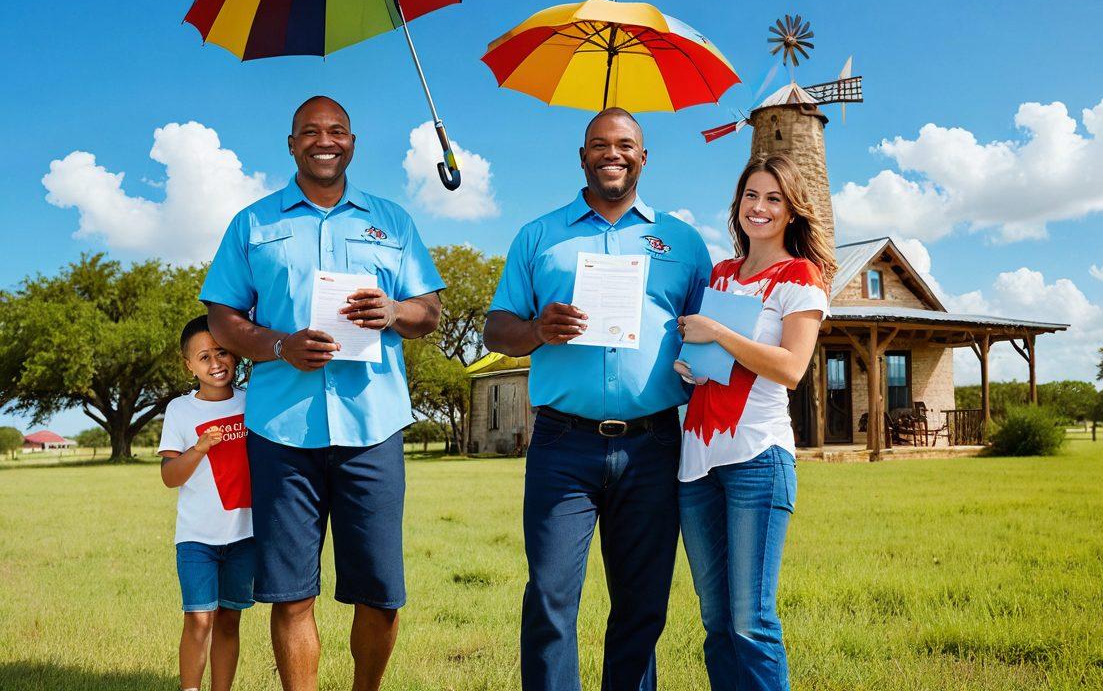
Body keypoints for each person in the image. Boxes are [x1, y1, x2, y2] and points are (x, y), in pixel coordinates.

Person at [200, 96, 443, 691]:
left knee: (382, 596)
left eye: (336, 130)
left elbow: (430, 312)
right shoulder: (252, 223)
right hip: (282, 429)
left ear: (353, 143)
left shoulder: (394, 221)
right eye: (310, 131)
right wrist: (281, 345)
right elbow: (222, 317)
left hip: (373, 428)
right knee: (291, 596)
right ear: (291, 144)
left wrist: (392, 311)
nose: (324, 140)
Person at [484, 107, 713, 691]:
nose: (612, 153)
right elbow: (496, 328)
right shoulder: (539, 236)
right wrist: (537, 328)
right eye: (599, 144)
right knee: (551, 602)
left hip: (654, 444)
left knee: (642, 607)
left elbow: (707, 329)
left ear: (643, 156)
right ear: (582, 156)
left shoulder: (682, 241)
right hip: (564, 444)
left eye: (625, 144)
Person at [675, 154, 835, 691]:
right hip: (697, 461)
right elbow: (716, 364)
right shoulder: (722, 273)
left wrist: (717, 334)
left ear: (791, 211)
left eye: (773, 198)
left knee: (752, 621)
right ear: (738, 204)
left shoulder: (801, 276)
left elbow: (791, 368)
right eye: (751, 196)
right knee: (716, 622)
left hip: (757, 458)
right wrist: (691, 365)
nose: (759, 208)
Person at [158, 315, 254, 691]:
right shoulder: (181, 411)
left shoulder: (252, 402)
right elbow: (169, 476)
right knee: (199, 619)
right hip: (197, 538)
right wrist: (199, 448)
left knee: (230, 620)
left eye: (222, 352)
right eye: (203, 357)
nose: (216, 363)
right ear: (189, 365)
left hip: (245, 535)